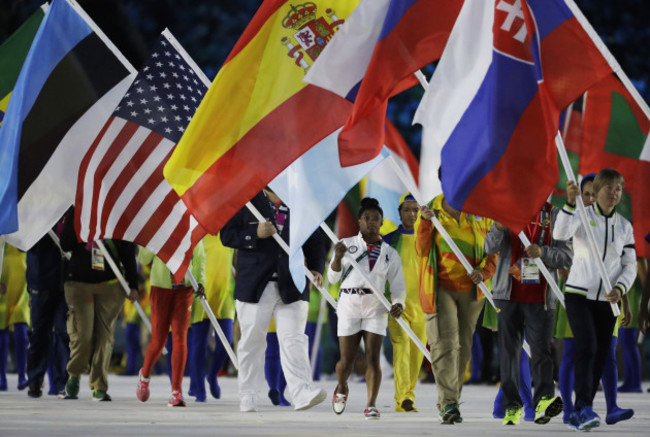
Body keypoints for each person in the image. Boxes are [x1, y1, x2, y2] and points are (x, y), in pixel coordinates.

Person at [220, 187, 327, 412]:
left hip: (293, 283)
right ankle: (248, 394)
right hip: (256, 284)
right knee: (252, 341)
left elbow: (314, 238)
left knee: (294, 339)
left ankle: (301, 392)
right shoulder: (245, 198)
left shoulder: (298, 198)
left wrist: (317, 267)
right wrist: (254, 234)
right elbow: (227, 234)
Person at [554, 169, 637, 431]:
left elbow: (630, 264)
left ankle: (584, 408)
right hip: (578, 294)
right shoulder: (581, 214)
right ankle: (581, 407)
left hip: (608, 299)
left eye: (619, 189)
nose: (614, 193)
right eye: (609, 188)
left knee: (602, 353)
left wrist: (621, 288)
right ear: (598, 189)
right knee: (587, 346)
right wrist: (569, 204)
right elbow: (559, 233)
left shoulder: (624, 226)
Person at [484, 202, 571, 425]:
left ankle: (543, 401)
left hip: (541, 298)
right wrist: (498, 226)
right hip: (507, 294)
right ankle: (512, 406)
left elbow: (567, 256)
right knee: (508, 354)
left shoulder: (556, 215)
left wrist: (544, 252)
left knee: (541, 353)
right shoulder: (507, 211)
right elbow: (489, 247)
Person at [416, 193, 496, 424]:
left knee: (463, 347)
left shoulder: (482, 208)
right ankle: (449, 402)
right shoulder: (432, 209)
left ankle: (451, 400)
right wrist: (425, 223)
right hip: (440, 287)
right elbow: (421, 251)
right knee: (445, 343)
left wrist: (485, 271)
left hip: (473, 289)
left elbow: (495, 246)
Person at [328, 198, 405, 419]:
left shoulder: (390, 253)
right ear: (359, 221)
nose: (371, 222)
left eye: (376, 219)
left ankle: (371, 404)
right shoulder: (345, 244)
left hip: (376, 306)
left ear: (381, 223)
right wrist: (337, 259)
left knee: (373, 358)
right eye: (367, 218)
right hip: (349, 305)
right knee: (347, 360)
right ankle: (341, 386)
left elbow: (398, 285)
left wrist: (399, 303)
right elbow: (332, 279)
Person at [60, 207, 140, 401]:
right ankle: (75, 373)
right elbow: (66, 244)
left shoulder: (118, 211)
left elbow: (128, 252)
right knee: (84, 335)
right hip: (79, 284)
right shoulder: (78, 209)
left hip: (111, 286)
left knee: (105, 336)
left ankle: (99, 385)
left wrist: (133, 284)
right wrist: (75, 216)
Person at [136, 243, 205, 407]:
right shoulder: (161, 229)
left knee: (180, 338)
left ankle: (176, 391)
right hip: (161, 288)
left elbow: (201, 258)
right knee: (159, 340)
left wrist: (201, 281)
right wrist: (152, 239)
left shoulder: (191, 227)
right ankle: (144, 376)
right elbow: (143, 258)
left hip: (185, 290)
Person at [382, 193, 426, 412]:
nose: (411, 214)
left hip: (423, 307)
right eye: (407, 210)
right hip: (398, 307)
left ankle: (408, 393)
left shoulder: (426, 238)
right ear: (399, 212)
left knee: (417, 355)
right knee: (401, 349)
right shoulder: (389, 240)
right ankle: (403, 398)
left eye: (415, 210)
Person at [188, 233, 236, 402]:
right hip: (201, 294)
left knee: (226, 342)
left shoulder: (230, 232)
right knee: (198, 345)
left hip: (225, 295)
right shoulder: (198, 234)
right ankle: (199, 389)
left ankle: (213, 374)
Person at [25, 226, 70, 398]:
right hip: (40, 283)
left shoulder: (66, 213)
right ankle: (35, 381)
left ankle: (62, 384)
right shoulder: (36, 216)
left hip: (63, 285)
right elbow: (24, 245)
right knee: (39, 335)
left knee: (63, 333)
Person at [0, 243, 30, 392]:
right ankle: (1, 378)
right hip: (3, 273)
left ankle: (22, 376)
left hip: (23, 278)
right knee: (2, 330)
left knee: (21, 329)